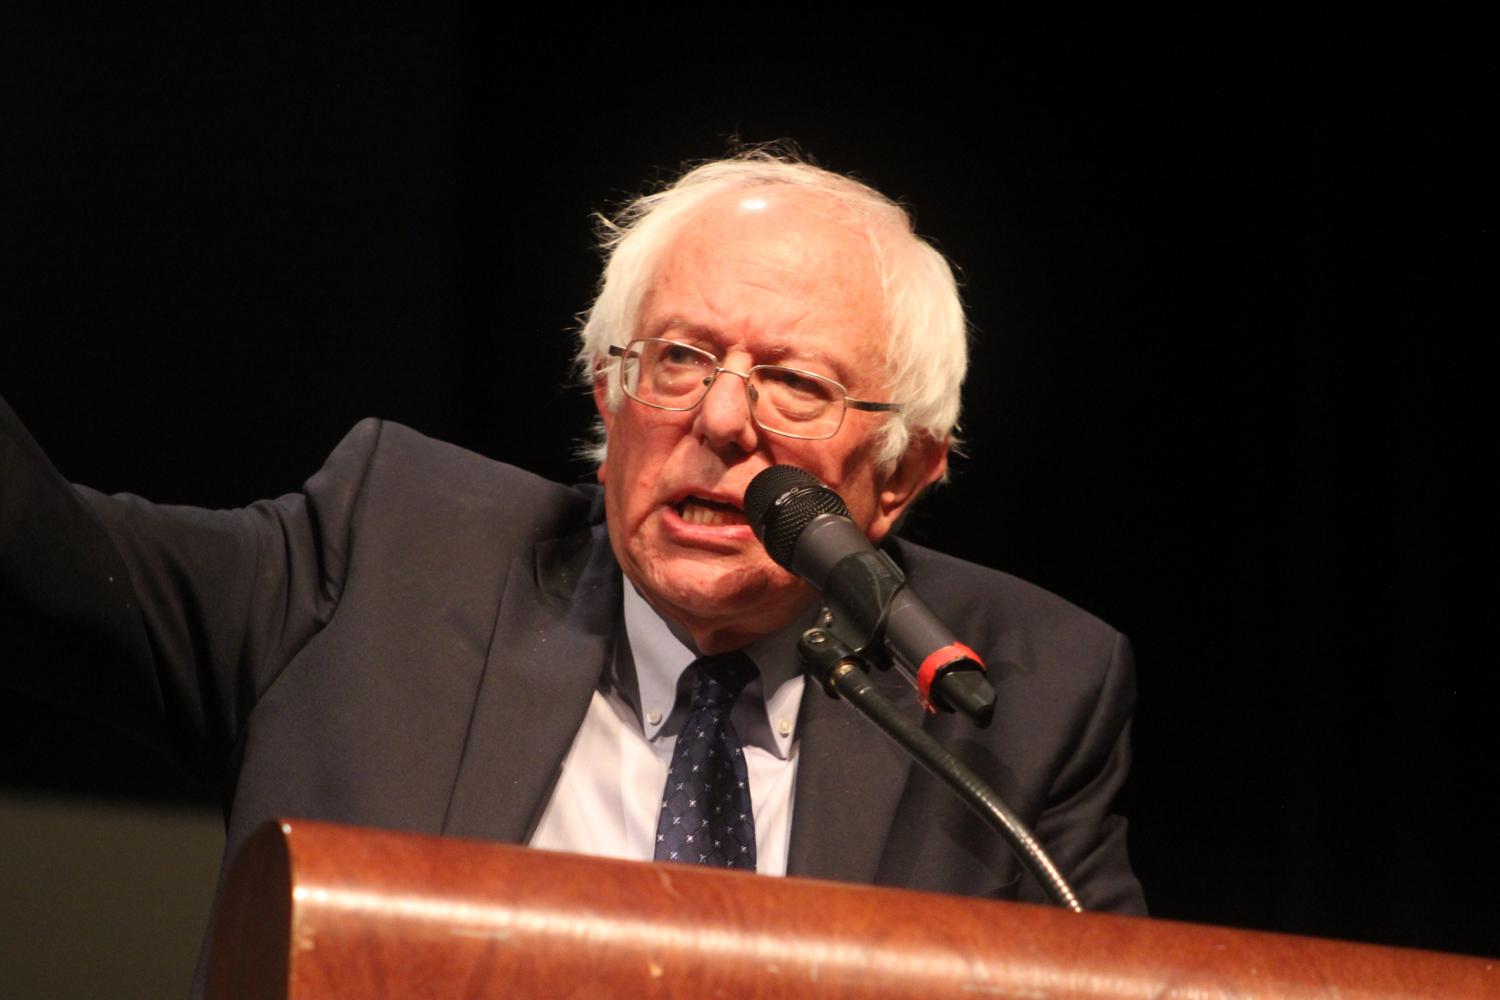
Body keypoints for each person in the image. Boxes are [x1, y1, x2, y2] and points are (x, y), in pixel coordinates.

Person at [1, 152, 1144, 990]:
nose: (723, 418)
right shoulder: (390, 554)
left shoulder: (1023, 697)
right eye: (680, 359)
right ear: (609, 395)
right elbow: (41, 569)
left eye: (795, 381)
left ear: (901, 474)